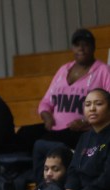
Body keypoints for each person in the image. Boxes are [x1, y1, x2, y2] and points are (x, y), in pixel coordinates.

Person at [17, 29, 110, 179]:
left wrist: (85, 121)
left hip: (80, 129)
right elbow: (46, 101)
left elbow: (108, 102)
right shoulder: (63, 70)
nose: (81, 48)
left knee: (41, 144)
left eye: (85, 44)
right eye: (77, 45)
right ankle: (29, 178)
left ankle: (45, 183)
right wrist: (47, 116)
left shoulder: (103, 70)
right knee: (23, 134)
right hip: (55, 127)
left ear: (93, 47)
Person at [65, 88, 110, 190]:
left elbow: (107, 178)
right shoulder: (84, 138)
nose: (92, 109)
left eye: (98, 104)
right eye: (88, 104)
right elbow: (73, 169)